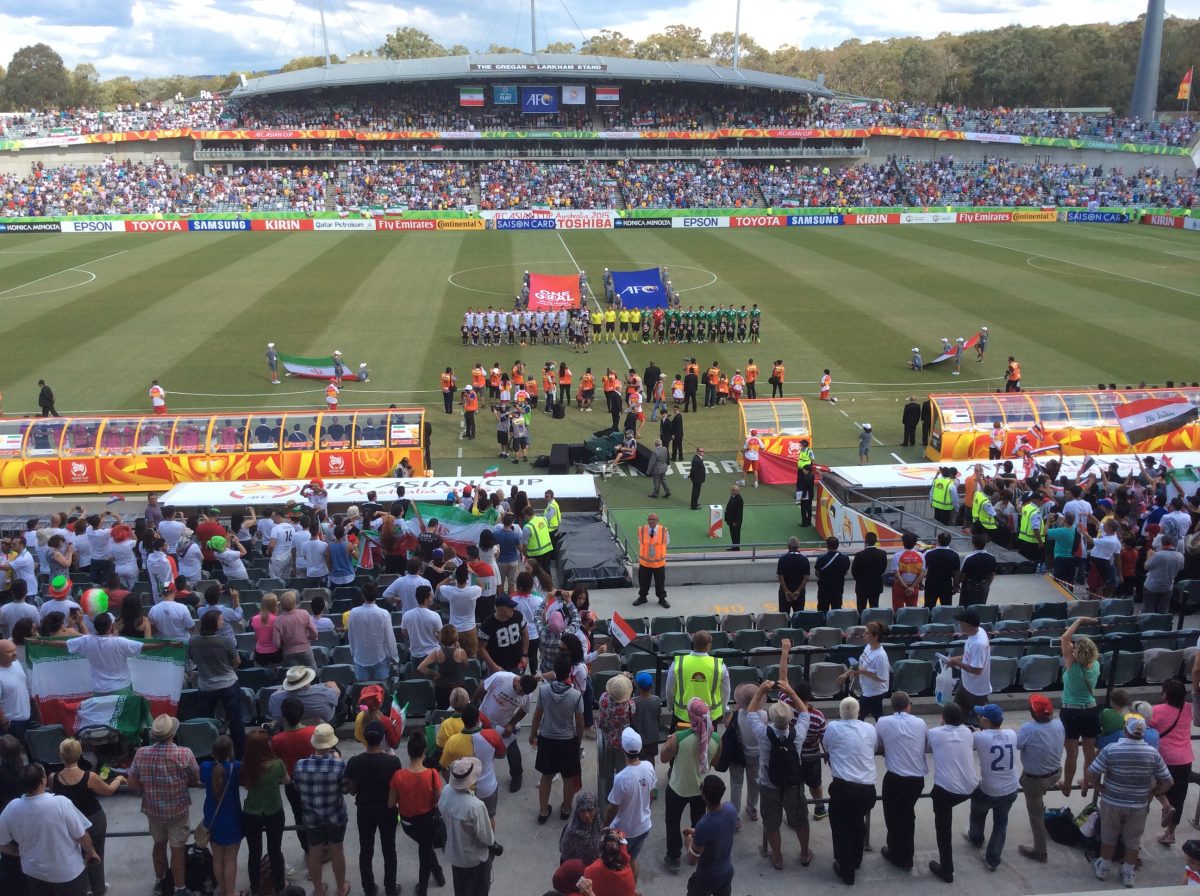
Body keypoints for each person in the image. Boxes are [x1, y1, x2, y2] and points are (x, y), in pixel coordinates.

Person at [1088, 714, 1173, 888]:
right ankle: (1127, 873)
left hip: (1112, 802)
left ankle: (1104, 868)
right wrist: (1152, 792)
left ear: (1125, 731)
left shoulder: (1111, 749)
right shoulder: (1152, 753)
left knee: (1108, 835)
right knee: (1133, 840)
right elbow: (1168, 781)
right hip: (1139, 805)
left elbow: (1091, 773)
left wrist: (1098, 786)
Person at [0, 762, 99, 896]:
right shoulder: (61, 803)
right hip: (67, 873)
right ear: (43, 780)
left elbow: (2, 843)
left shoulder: (12, 807)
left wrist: (21, 853)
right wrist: (91, 852)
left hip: (34, 873)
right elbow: (81, 834)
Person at [744, 677, 812, 871]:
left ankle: (779, 856)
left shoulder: (763, 734)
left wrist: (761, 691)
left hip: (769, 784)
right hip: (793, 784)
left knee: (772, 823)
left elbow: (750, 713)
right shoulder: (798, 733)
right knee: (800, 820)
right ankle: (805, 852)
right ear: (790, 718)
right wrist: (791, 692)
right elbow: (805, 712)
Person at [128, 714, 201, 896]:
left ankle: (160, 881)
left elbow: (132, 782)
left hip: (153, 809)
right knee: (177, 848)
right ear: (173, 733)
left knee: (158, 844)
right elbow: (194, 780)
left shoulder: (141, 753)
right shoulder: (184, 753)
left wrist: (148, 788)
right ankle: (179, 887)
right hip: (177, 809)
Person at [50, 737, 125, 896]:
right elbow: (109, 790)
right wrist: (118, 779)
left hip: (68, 821)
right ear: (80, 754)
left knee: (74, 852)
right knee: (96, 852)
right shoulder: (89, 776)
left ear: (61, 755)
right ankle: (98, 888)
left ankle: (83, 887)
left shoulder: (53, 778)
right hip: (92, 818)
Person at [660, 698, 721, 874]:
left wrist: (668, 742)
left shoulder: (678, 737)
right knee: (698, 821)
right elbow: (715, 762)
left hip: (678, 787)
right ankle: (696, 850)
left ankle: (674, 857)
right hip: (701, 790)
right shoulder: (715, 738)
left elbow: (664, 758)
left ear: (690, 716)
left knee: (672, 821)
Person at [822, 696, 878, 885]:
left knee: (841, 827)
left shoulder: (833, 728)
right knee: (856, 821)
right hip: (867, 790)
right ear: (859, 712)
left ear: (840, 712)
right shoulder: (870, 728)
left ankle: (847, 871)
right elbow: (874, 747)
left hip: (844, 788)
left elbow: (827, 746)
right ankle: (857, 859)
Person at [346, 720, 404, 896]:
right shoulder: (393, 762)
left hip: (365, 810)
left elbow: (351, 791)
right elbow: (397, 789)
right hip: (387, 810)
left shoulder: (354, 762)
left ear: (365, 738)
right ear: (383, 738)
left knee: (366, 850)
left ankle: (369, 888)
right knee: (389, 849)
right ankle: (391, 888)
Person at [293, 723, 350, 896]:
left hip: (311, 818)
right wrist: (337, 761)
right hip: (336, 816)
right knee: (337, 851)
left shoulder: (300, 765)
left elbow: (297, 787)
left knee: (314, 852)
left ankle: (318, 890)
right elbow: (345, 789)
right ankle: (341, 888)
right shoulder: (339, 766)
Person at [926, 701, 979, 883]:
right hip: (970, 788)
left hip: (946, 790)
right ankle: (977, 836)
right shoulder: (967, 732)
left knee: (943, 829)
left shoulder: (934, 733)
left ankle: (946, 869)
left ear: (943, 719)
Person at [876, 691, 928, 873]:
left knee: (893, 816)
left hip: (896, 779)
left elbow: (879, 744)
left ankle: (898, 854)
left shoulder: (882, 722)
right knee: (907, 815)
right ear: (908, 705)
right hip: (916, 780)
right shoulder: (920, 722)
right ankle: (905, 854)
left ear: (892, 706)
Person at [389, 732, 446, 896]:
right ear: (424, 751)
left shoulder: (398, 776)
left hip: (408, 824)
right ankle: (423, 889)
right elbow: (440, 801)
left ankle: (438, 876)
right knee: (425, 850)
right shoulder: (433, 775)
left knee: (425, 848)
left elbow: (391, 803)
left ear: (408, 751)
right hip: (428, 821)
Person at [531, 654, 585, 825]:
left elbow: (537, 715)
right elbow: (580, 724)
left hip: (547, 738)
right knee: (568, 777)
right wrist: (578, 742)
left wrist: (533, 734)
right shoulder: (576, 695)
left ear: (555, 672)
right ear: (569, 672)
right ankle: (566, 808)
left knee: (546, 776)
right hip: (568, 740)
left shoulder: (544, 691)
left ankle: (543, 810)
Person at [966, 704, 1019, 871]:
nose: (978, 718)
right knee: (1001, 823)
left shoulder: (980, 737)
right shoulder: (1011, 734)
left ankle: (976, 836)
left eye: (981, 717)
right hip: (1011, 789)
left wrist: (975, 731)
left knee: (977, 808)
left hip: (989, 790)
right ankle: (993, 859)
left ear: (987, 721)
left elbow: (973, 738)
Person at [188, 609, 246, 757]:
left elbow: (192, 659)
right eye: (221, 620)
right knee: (236, 720)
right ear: (215, 624)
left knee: (206, 721)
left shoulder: (193, 641)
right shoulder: (225, 641)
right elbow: (237, 661)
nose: (223, 622)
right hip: (228, 684)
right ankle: (240, 754)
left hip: (206, 685)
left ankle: (207, 752)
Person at [1016, 693, 1065, 863]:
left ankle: (1040, 851)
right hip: (1056, 772)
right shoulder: (1059, 724)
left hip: (1036, 780)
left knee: (1035, 814)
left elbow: (1018, 745)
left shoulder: (1028, 729)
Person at [239, 729, 289, 896]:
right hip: (274, 809)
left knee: (254, 852)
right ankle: (280, 885)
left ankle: (255, 887)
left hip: (252, 811)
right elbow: (286, 780)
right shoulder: (276, 764)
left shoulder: (245, 765)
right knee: (275, 849)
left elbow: (246, 785)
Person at [604, 729, 657, 880]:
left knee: (618, 865)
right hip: (644, 826)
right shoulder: (649, 766)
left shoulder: (621, 778)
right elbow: (651, 795)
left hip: (624, 832)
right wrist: (643, 810)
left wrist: (605, 827)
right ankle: (631, 889)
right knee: (632, 859)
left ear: (622, 749)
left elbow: (613, 808)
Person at [1058, 616, 1101, 797]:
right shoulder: (1096, 665)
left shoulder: (1071, 665)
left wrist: (1081, 620)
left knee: (1072, 753)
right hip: (1090, 709)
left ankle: (1067, 785)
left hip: (1070, 711)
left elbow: (1064, 638)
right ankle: (1086, 784)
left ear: (1076, 652)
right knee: (1089, 752)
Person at [441, 756, 496, 896]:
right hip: (475, 860)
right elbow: (487, 838)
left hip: (456, 856)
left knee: (461, 890)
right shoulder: (475, 806)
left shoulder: (446, 791)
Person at [477, 670, 537, 793]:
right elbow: (483, 687)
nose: (521, 694)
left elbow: (523, 710)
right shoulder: (501, 677)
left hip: (504, 724)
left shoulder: (527, 695)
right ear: (518, 681)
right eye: (520, 691)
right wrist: (473, 704)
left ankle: (517, 775)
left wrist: (511, 724)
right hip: (484, 718)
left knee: (512, 749)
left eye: (524, 693)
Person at [1151, 678, 1194, 846]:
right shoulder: (1188, 708)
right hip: (1185, 758)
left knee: (1155, 786)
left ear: (1166, 694)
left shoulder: (1157, 710)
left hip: (1165, 757)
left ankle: (1166, 805)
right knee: (1179, 796)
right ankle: (1170, 833)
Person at [199, 735, 242, 896]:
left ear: (213, 752)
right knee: (230, 860)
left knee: (217, 859)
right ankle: (231, 892)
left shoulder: (205, 767)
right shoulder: (236, 767)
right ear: (231, 751)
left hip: (212, 819)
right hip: (232, 819)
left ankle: (223, 890)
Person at [683, 775, 737, 896]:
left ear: (704, 796)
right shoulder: (731, 809)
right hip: (727, 871)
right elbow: (718, 831)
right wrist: (696, 832)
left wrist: (688, 843)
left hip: (706, 877)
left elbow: (692, 860)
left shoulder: (704, 824)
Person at [665, 631, 730, 727]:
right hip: (710, 716)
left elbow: (669, 689)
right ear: (708, 645)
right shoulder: (719, 665)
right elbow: (726, 691)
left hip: (683, 715)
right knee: (708, 741)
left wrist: (671, 705)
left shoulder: (679, 662)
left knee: (683, 741)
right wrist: (722, 709)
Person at [944, 609, 991, 721]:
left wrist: (957, 663)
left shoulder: (979, 644)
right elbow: (969, 656)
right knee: (956, 712)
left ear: (967, 624)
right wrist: (956, 659)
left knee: (982, 719)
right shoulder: (977, 632)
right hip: (966, 683)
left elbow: (977, 670)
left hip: (976, 690)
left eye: (961, 622)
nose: (959, 624)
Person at [840, 620, 891, 720]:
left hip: (875, 692)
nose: (863, 635)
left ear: (875, 637)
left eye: (867, 633)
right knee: (879, 716)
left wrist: (863, 672)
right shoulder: (868, 647)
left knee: (857, 717)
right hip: (868, 689)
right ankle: (886, 732)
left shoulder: (880, 656)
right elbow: (859, 665)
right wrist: (846, 674)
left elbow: (882, 678)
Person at [347, 586, 398, 682]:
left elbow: (351, 636)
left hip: (360, 657)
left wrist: (353, 652)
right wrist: (394, 657)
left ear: (363, 596)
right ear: (376, 596)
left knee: (363, 692)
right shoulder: (384, 613)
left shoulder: (353, 613)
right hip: (379, 657)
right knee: (380, 692)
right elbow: (390, 638)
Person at [268, 666, 339, 727]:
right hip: (321, 724)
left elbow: (275, 714)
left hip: (287, 727)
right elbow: (337, 693)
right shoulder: (324, 692)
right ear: (305, 683)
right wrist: (331, 685)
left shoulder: (274, 698)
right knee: (341, 705)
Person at [477, 595, 528, 675]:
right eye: (510, 607)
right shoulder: (487, 625)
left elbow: (525, 634)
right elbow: (481, 648)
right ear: (500, 609)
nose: (513, 609)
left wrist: (525, 654)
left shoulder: (517, 615)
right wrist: (493, 666)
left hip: (517, 664)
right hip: (498, 667)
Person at [632, 513, 670, 609]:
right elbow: (640, 542)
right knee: (643, 582)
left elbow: (667, 542)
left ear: (657, 521)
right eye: (649, 519)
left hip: (659, 563)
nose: (651, 521)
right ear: (647, 520)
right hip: (645, 563)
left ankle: (662, 599)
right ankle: (642, 597)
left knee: (660, 582)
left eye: (654, 519)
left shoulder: (663, 530)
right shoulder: (641, 530)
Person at [271, 590, 317, 668]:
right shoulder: (304, 613)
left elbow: (276, 643)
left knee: (293, 677)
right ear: (295, 602)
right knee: (312, 672)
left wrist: (284, 645)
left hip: (288, 652)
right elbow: (314, 632)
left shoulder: (278, 620)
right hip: (305, 649)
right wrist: (308, 638)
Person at [559, 789, 603, 867]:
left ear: (596, 810)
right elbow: (565, 859)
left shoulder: (598, 826)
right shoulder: (571, 832)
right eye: (582, 811)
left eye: (590, 810)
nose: (586, 815)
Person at [849, 532, 888, 611]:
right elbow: (883, 569)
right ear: (876, 541)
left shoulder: (859, 555)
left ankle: (861, 623)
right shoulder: (882, 554)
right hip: (876, 585)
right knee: (874, 607)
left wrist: (860, 579)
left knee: (861, 608)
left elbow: (854, 571)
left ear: (865, 541)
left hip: (862, 586)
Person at [956, 533, 997, 606]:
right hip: (983, 585)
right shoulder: (992, 558)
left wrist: (956, 584)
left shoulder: (969, 558)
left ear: (973, 544)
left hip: (969, 586)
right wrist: (987, 584)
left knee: (966, 606)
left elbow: (962, 574)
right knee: (980, 606)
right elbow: (992, 574)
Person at [888, 531, 926, 609]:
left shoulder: (897, 556)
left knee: (898, 610)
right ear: (915, 543)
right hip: (914, 586)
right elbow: (922, 574)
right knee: (912, 611)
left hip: (899, 586)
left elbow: (897, 574)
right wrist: (912, 587)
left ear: (903, 542)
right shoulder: (921, 556)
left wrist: (906, 588)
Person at [922, 532, 960, 608]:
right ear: (950, 541)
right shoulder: (954, 554)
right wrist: (955, 586)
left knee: (929, 606)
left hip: (931, 583)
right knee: (946, 607)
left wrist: (920, 583)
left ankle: (929, 620)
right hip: (946, 583)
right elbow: (956, 573)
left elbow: (923, 571)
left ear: (938, 540)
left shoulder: (929, 553)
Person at [813, 536, 850, 612]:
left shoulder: (821, 558)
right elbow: (845, 572)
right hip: (838, 588)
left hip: (824, 588)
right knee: (836, 610)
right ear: (838, 545)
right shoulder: (845, 558)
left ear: (827, 545)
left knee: (822, 611)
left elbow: (817, 573)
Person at [775, 537, 810, 614]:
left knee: (784, 617)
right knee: (798, 617)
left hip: (784, 593)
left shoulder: (782, 559)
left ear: (788, 546)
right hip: (799, 593)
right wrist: (798, 591)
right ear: (798, 546)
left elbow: (780, 576)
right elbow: (806, 577)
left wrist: (786, 591)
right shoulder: (804, 559)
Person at [724, 484, 744, 551]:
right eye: (731, 490)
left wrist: (735, 522)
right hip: (731, 520)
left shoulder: (739, 499)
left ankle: (736, 548)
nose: (731, 491)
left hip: (735, 522)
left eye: (733, 490)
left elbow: (739, 513)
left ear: (737, 491)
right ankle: (734, 547)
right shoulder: (733, 496)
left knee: (736, 535)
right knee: (733, 534)